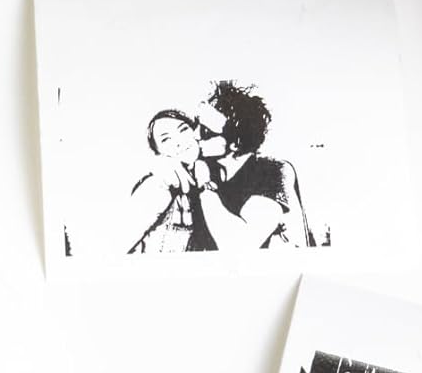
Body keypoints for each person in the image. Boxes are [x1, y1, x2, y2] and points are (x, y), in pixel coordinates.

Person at [185, 80, 317, 251]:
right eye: (195, 125)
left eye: (205, 132)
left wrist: (205, 186)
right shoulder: (205, 167)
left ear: (236, 144)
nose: (194, 135)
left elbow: (238, 244)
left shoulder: (273, 171)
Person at [127, 110, 200, 254]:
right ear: (158, 152)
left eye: (183, 130)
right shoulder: (159, 184)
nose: (179, 142)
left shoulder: (208, 177)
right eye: (166, 139)